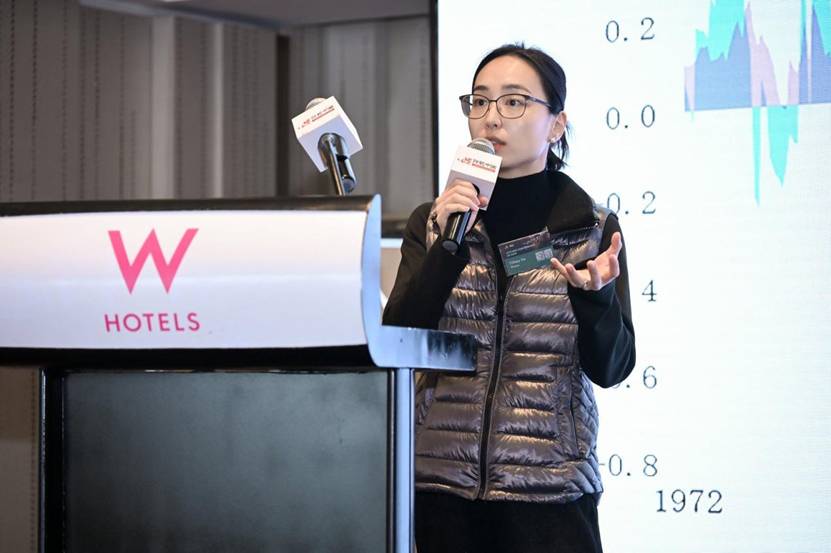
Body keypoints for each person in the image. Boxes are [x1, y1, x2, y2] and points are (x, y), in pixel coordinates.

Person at [382, 43, 636, 553]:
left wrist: (594, 300)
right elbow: (399, 341)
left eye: (514, 101)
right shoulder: (434, 222)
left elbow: (613, 369)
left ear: (557, 125)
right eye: (479, 101)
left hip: (549, 494)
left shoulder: (591, 230)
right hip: (442, 489)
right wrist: (448, 245)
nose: (491, 117)